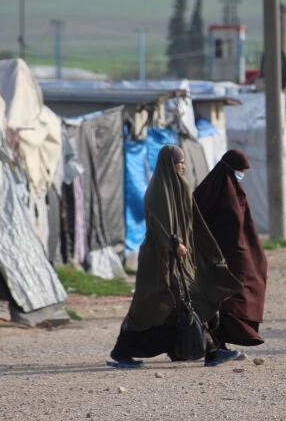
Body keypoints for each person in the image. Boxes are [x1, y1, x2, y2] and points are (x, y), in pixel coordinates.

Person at [108, 145, 243, 368]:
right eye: (178, 162)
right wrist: (174, 243)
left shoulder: (181, 186)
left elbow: (192, 223)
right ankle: (122, 352)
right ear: (168, 165)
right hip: (159, 260)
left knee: (184, 304)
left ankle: (208, 351)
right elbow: (157, 223)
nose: (182, 166)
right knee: (149, 307)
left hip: (179, 261)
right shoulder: (157, 190)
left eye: (182, 162)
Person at [194, 150, 268, 350]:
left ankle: (223, 339)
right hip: (217, 257)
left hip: (238, 254)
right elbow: (197, 219)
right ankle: (217, 341)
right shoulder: (211, 190)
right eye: (240, 170)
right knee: (226, 297)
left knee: (248, 287)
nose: (242, 174)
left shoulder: (236, 189)